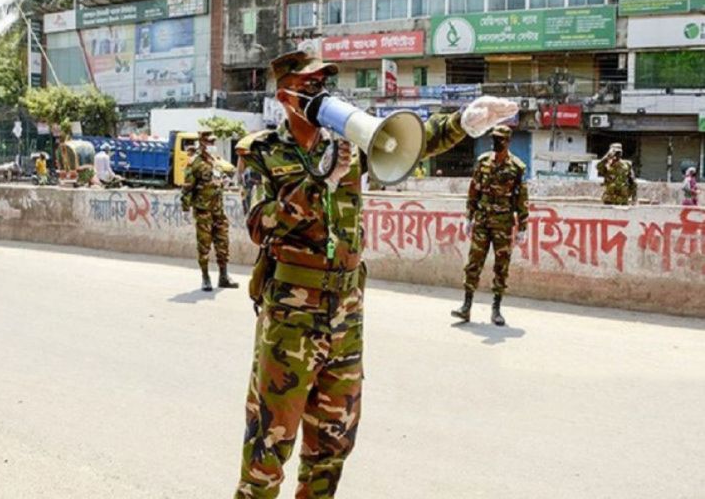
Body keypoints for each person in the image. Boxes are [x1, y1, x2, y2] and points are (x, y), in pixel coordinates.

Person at [234, 50, 518, 498]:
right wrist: (317, 183)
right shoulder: (261, 152)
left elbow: (406, 142)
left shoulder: (346, 143)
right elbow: (258, 224)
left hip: (345, 314)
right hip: (291, 316)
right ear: (284, 93)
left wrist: (462, 121)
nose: (318, 91)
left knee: (332, 446)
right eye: (308, 84)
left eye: (323, 82)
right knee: (269, 446)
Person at [451, 125, 529, 327]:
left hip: (503, 224)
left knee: (501, 266)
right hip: (482, 222)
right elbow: (474, 190)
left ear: (508, 141)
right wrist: (469, 217)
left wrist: (522, 226)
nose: (496, 142)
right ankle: (466, 307)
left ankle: (496, 309)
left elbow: (521, 199)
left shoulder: (517, 168)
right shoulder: (483, 162)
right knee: (473, 262)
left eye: (500, 139)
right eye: (494, 138)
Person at [181, 131, 239, 292]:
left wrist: (226, 181)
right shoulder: (195, 163)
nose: (212, 145)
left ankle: (223, 276)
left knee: (223, 243)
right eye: (209, 142)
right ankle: (205, 278)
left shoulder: (216, 161)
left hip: (218, 211)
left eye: (214, 142)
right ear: (201, 143)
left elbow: (222, 177)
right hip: (203, 211)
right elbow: (187, 187)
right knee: (204, 245)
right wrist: (185, 207)